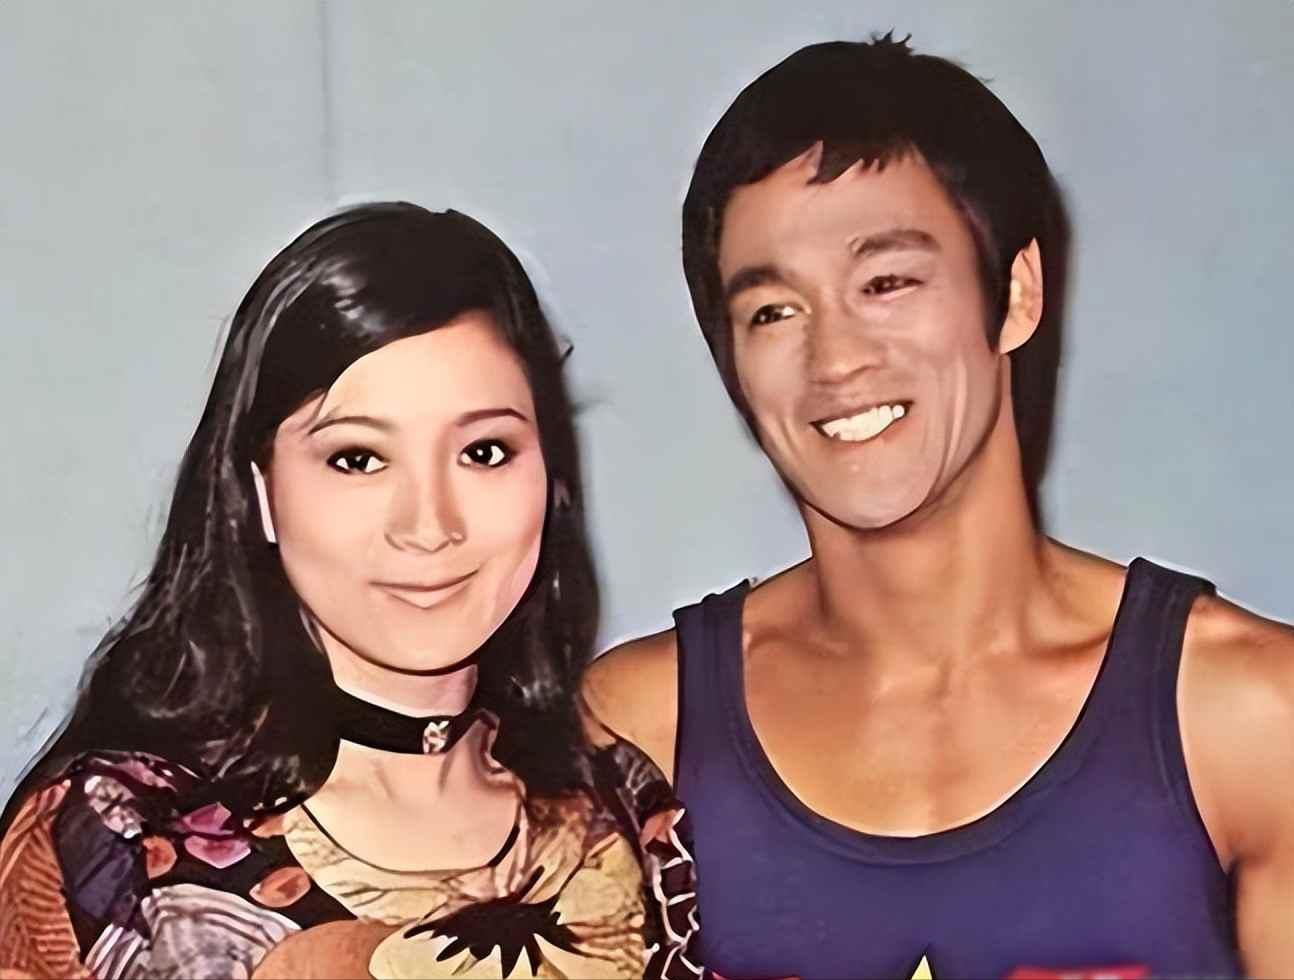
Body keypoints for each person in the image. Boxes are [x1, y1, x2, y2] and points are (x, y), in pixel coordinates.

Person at [584, 34, 1294, 980]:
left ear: (1016, 294)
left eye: (886, 283)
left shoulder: (1250, 716)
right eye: (773, 311)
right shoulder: (638, 730)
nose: (836, 358)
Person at [0, 203, 699, 979]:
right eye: (359, 459)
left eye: (484, 451)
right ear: (260, 493)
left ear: (551, 477)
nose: (428, 526)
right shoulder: (117, 836)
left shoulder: (620, 808)